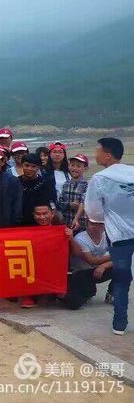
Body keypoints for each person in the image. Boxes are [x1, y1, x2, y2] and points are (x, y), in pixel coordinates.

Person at [85, 137, 134, 335]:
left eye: (97, 150)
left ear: (107, 155)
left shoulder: (100, 179)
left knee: (121, 279)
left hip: (119, 237)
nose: (95, 154)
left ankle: (119, 324)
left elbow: (93, 212)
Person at [62, 219, 113, 310]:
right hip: (80, 273)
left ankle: (112, 293)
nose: (96, 227)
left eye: (100, 224)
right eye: (92, 223)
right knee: (74, 304)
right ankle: (60, 294)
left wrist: (104, 266)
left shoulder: (111, 236)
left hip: (98, 270)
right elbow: (91, 260)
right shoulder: (80, 238)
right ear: (86, 224)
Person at [18, 153, 57, 226]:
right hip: (20, 223)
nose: (29, 169)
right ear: (22, 165)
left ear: (38, 167)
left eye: (33, 166)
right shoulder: (15, 182)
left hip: (41, 221)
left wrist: (53, 215)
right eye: (26, 165)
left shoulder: (46, 182)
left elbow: (52, 201)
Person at [58, 153, 89, 232]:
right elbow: (60, 203)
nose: (74, 168)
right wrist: (69, 204)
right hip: (66, 224)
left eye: (78, 166)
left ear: (85, 168)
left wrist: (76, 218)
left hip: (82, 226)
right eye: (72, 165)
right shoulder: (65, 184)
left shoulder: (87, 185)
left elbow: (84, 203)